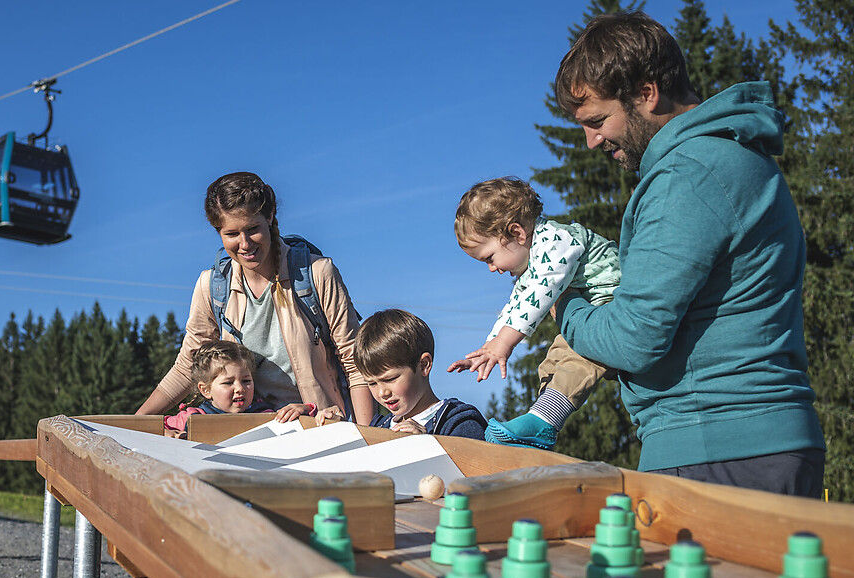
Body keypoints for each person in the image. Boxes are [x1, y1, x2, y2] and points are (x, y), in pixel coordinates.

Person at [546, 11, 824, 496]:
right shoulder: (727, 160)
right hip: (746, 445)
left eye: (597, 121)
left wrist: (562, 299)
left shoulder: (690, 173)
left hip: (719, 449)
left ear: (646, 93)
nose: (591, 141)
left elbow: (633, 338)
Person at [137, 172, 376, 424]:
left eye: (253, 229)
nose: (244, 244)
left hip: (318, 427)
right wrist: (134, 422)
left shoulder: (317, 274)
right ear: (218, 231)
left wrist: (364, 434)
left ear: (270, 217)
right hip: (249, 432)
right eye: (231, 234)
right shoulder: (212, 287)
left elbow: (355, 363)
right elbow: (188, 366)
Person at [448, 176, 620, 449]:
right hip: (592, 307)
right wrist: (490, 346)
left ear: (517, 233)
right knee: (552, 361)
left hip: (614, 305)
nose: (493, 269)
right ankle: (539, 417)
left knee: (576, 354)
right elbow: (517, 304)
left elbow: (540, 295)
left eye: (490, 258)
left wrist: (504, 343)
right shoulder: (535, 259)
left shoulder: (556, 241)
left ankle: (544, 422)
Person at [355, 309, 487, 438]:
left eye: (390, 379)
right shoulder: (377, 429)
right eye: (372, 383)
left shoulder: (458, 423)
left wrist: (427, 444)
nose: (382, 393)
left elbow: (473, 460)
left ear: (424, 365)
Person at [163, 340, 320, 437]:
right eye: (228, 383)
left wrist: (304, 409)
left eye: (246, 381)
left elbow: (306, 425)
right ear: (206, 390)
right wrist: (166, 433)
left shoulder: (265, 415)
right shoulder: (191, 418)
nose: (240, 388)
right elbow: (147, 427)